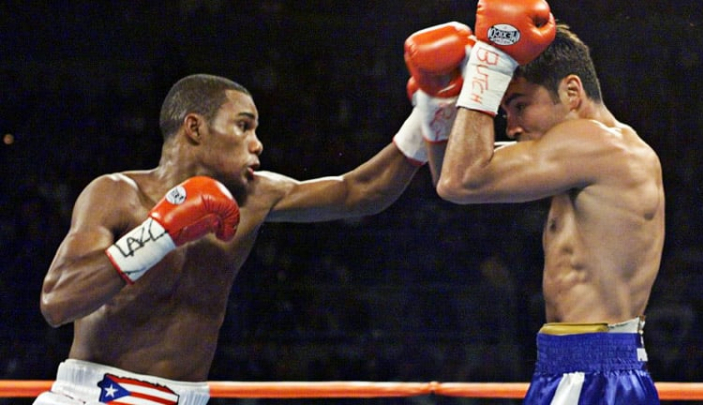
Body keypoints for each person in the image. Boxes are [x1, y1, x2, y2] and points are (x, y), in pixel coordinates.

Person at [34, 73, 437, 404]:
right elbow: (57, 302)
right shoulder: (117, 194)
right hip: (93, 394)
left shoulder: (255, 197)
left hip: (183, 398)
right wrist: (159, 232)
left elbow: (358, 192)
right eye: (243, 126)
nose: (257, 144)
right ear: (195, 127)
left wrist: (427, 116)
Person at [406, 0, 664, 403]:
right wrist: (438, 106)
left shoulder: (599, 144)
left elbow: (462, 179)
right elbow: (450, 178)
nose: (511, 126)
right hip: (581, 366)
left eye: (520, 105)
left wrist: (488, 69)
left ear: (572, 92)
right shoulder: (589, 152)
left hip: (589, 372)